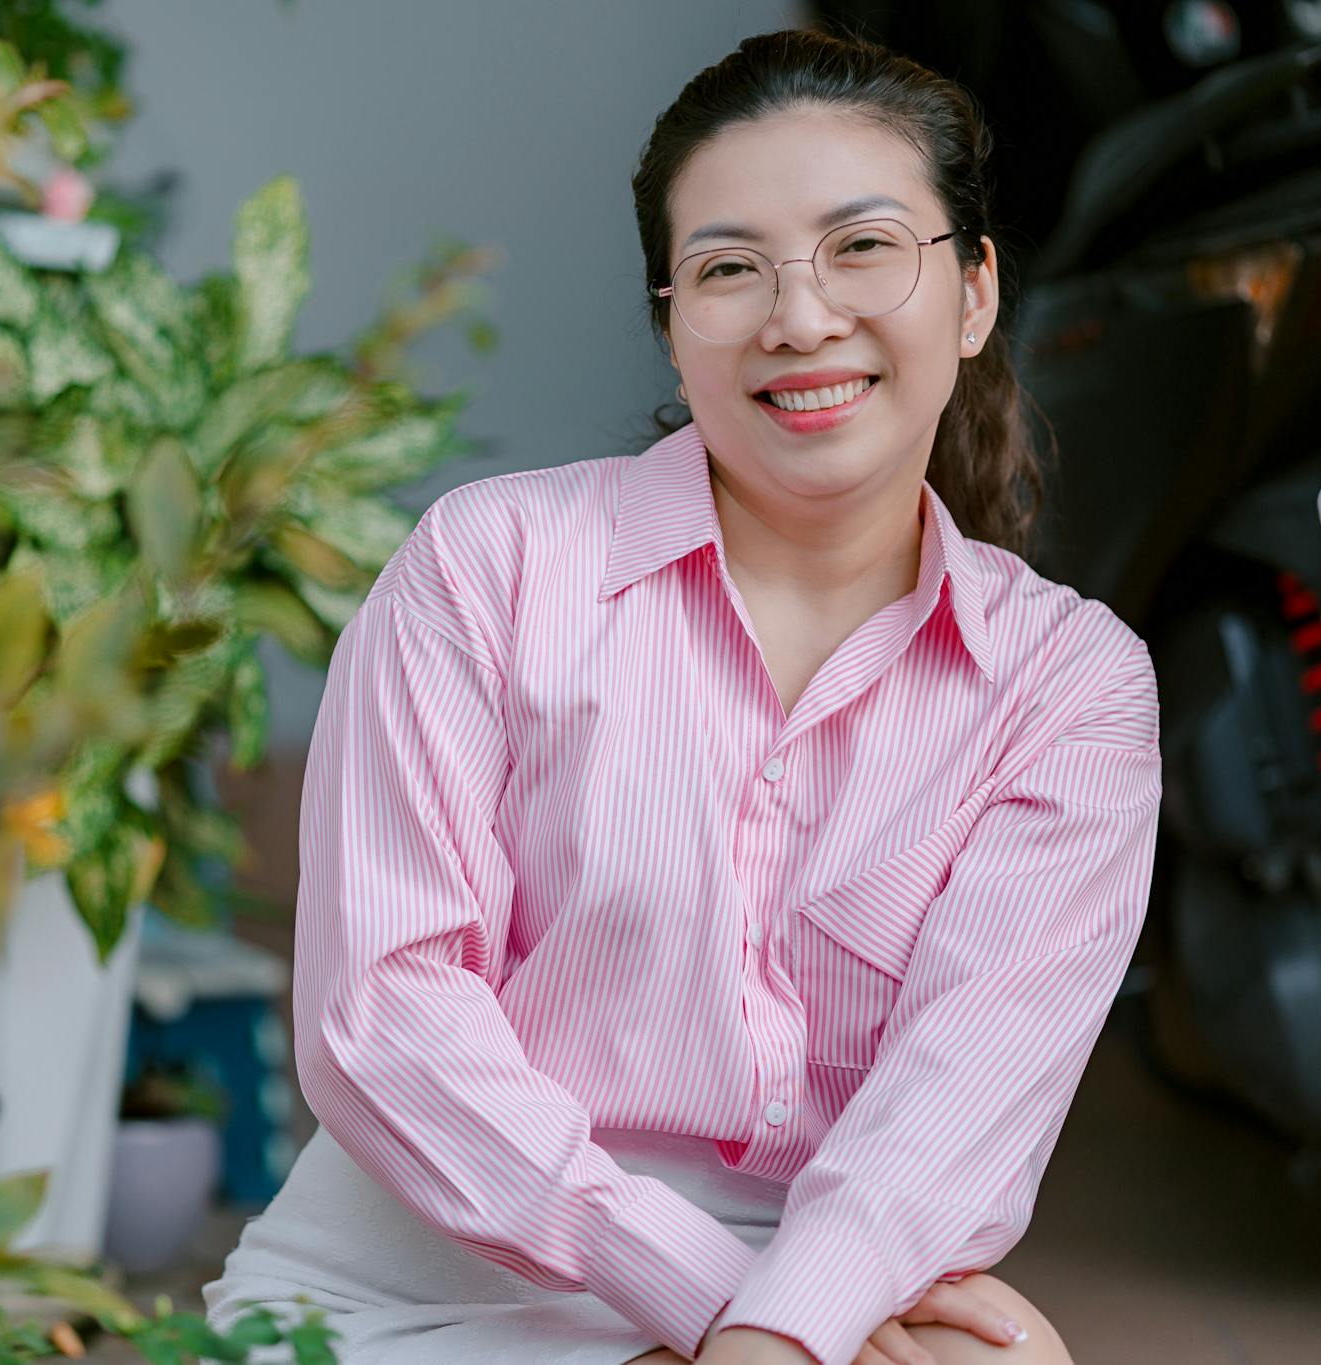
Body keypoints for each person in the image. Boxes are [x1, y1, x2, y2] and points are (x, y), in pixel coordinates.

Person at [203, 26, 1160, 1365]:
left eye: (863, 246)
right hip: (431, 1277)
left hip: (821, 1282)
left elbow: (956, 1103)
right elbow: (387, 1017)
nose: (800, 317)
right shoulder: (492, 567)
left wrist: (786, 1320)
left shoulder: (1066, 683)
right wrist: (717, 1305)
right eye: (727, 268)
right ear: (670, 325)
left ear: (974, 293)